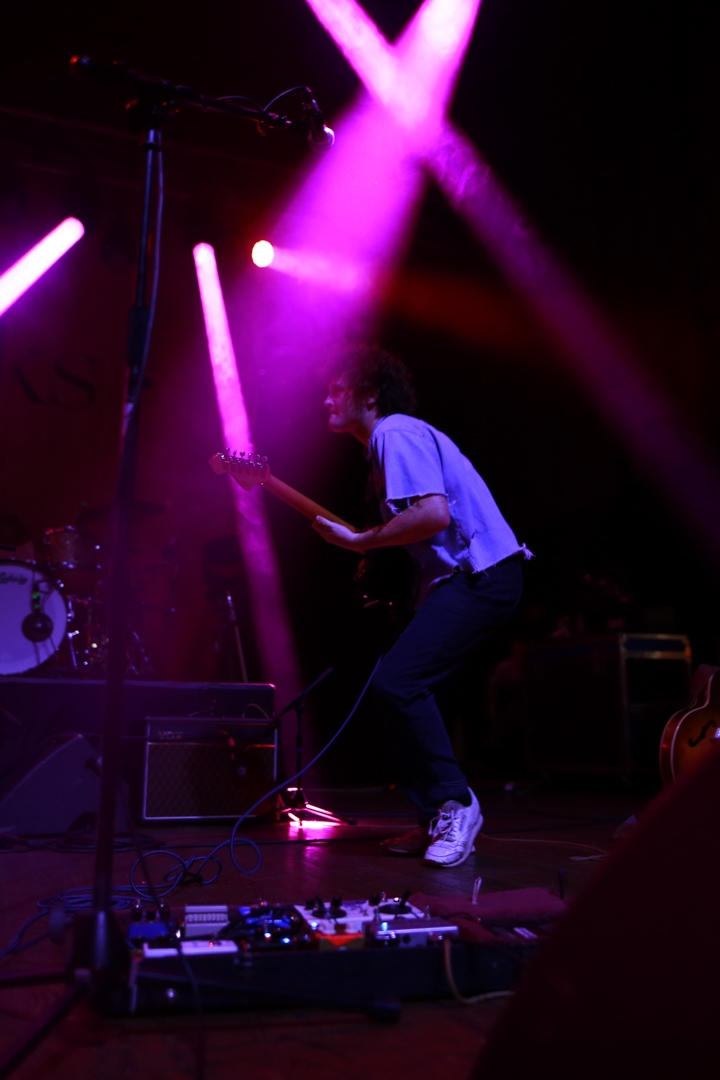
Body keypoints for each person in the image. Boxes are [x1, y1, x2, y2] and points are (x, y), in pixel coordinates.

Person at [312, 344, 530, 868]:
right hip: (462, 582)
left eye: (337, 389)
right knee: (407, 692)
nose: (327, 400)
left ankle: (456, 804)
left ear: (369, 394)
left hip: (482, 576)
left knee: (399, 684)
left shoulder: (394, 432)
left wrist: (360, 541)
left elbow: (433, 514)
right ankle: (435, 816)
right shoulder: (384, 446)